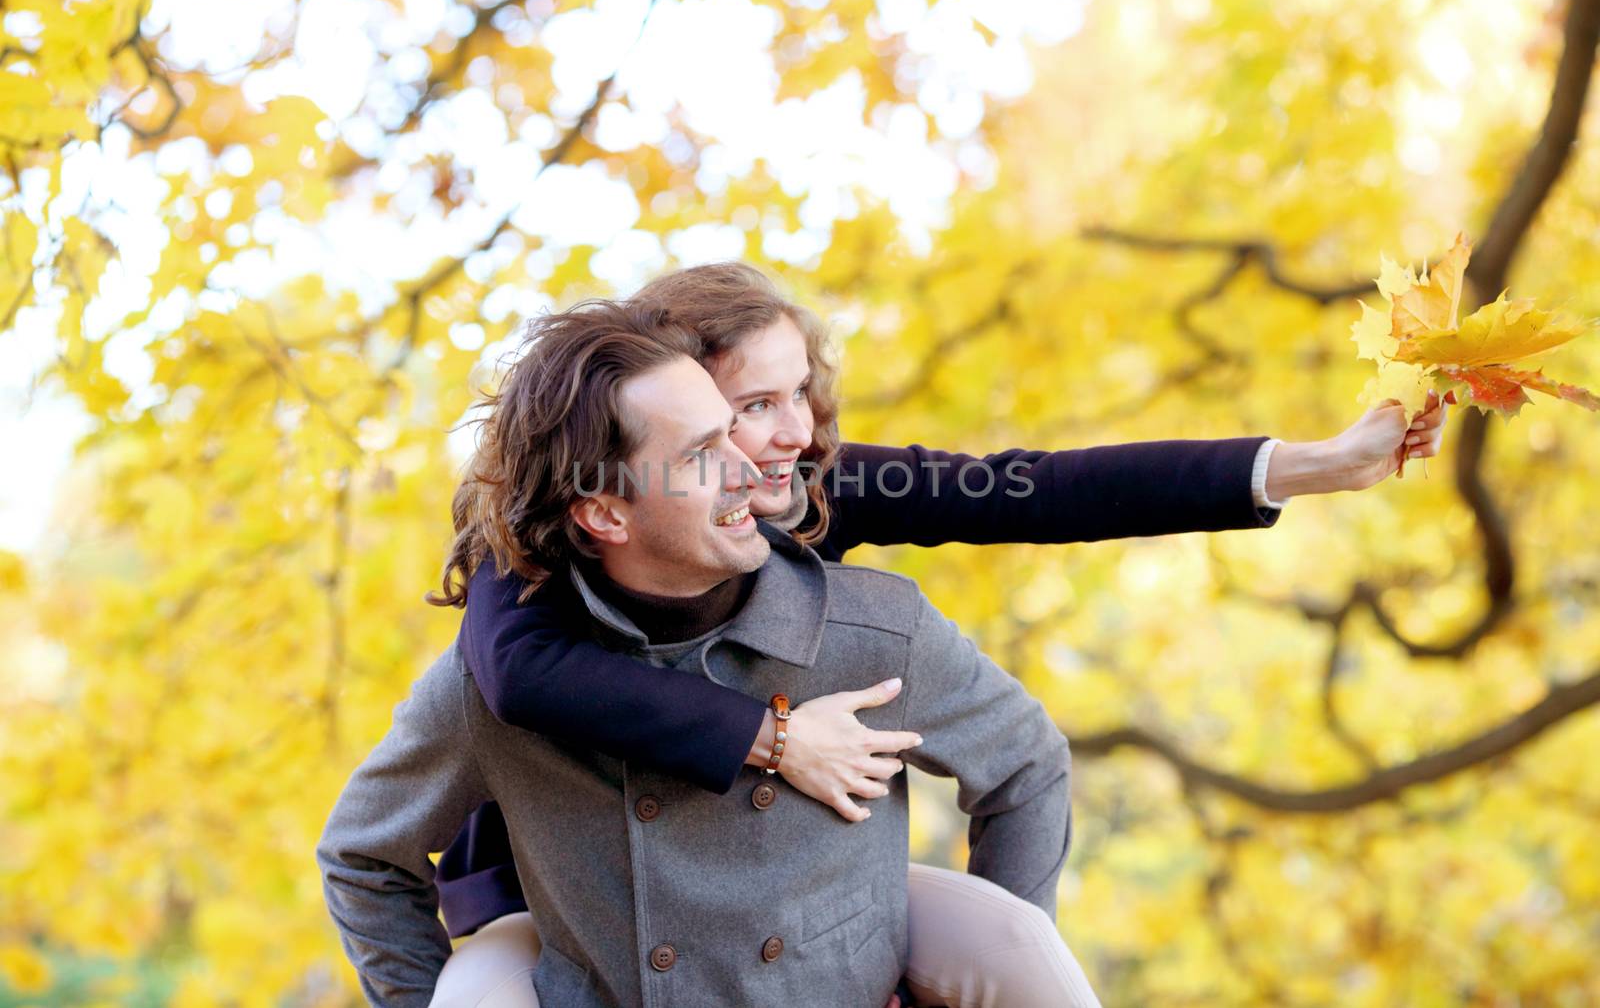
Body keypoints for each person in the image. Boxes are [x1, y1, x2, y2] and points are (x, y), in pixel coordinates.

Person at [423, 263, 1451, 1007]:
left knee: (1005, 940)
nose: (795, 432)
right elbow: (519, 671)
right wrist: (775, 734)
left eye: (800, 395)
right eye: (754, 404)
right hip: (575, 902)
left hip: (774, 878)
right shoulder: (557, 531)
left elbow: (1040, 487)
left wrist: (1306, 464)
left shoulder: (807, 487)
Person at [318, 298, 1077, 1007]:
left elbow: (1025, 759)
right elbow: (364, 854)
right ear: (605, 513)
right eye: (701, 453)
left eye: (730, 428)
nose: (755, 468)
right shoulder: (496, 679)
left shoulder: (870, 629)